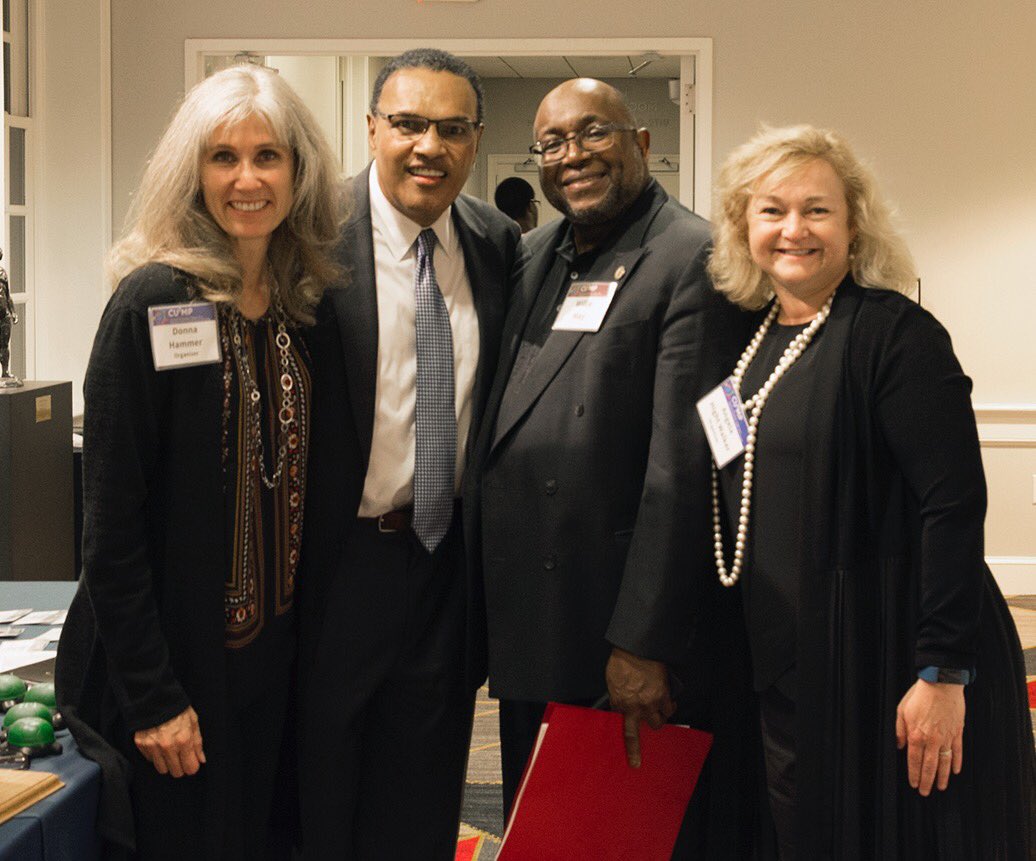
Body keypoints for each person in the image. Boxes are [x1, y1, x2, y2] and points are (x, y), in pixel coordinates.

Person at [708, 124, 1036, 858]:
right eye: (771, 210)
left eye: (817, 210)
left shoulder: (897, 337)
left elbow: (952, 506)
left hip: (885, 648)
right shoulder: (747, 338)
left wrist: (942, 672)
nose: (794, 229)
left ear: (855, 225)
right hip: (792, 651)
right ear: (742, 226)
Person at [54, 64, 343, 859]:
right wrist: (153, 698)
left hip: (270, 673)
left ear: (299, 170)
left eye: (268, 155)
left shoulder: (302, 309)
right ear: (192, 174)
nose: (246, 179)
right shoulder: (153, 300)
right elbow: (111, 526)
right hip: (169, 679)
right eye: (222, 157)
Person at [476, 77, 751, 843]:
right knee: (544, 828)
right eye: (553, 143)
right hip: (536, 620)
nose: (573, 156)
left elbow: (683, 468)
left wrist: (644, 639)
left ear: (640, 145)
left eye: (594, 133)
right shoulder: (533, 255)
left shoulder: (691, 256)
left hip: (619, 630)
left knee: (623, 832)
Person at [296, 49, 520, 858]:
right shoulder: (308, 231)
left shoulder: (499, 245)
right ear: (371, 129)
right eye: (410, 123)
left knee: (423, 796)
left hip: (444, 570)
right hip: (334, 567)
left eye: (452, 129)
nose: (431, 145)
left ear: (475, 140)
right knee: (320, 793)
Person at [0, 249, 19, 383]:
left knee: (4, 345)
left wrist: (13, 311)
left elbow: (8, 295)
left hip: (4, 314)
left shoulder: (3, 273)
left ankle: (5, 372)